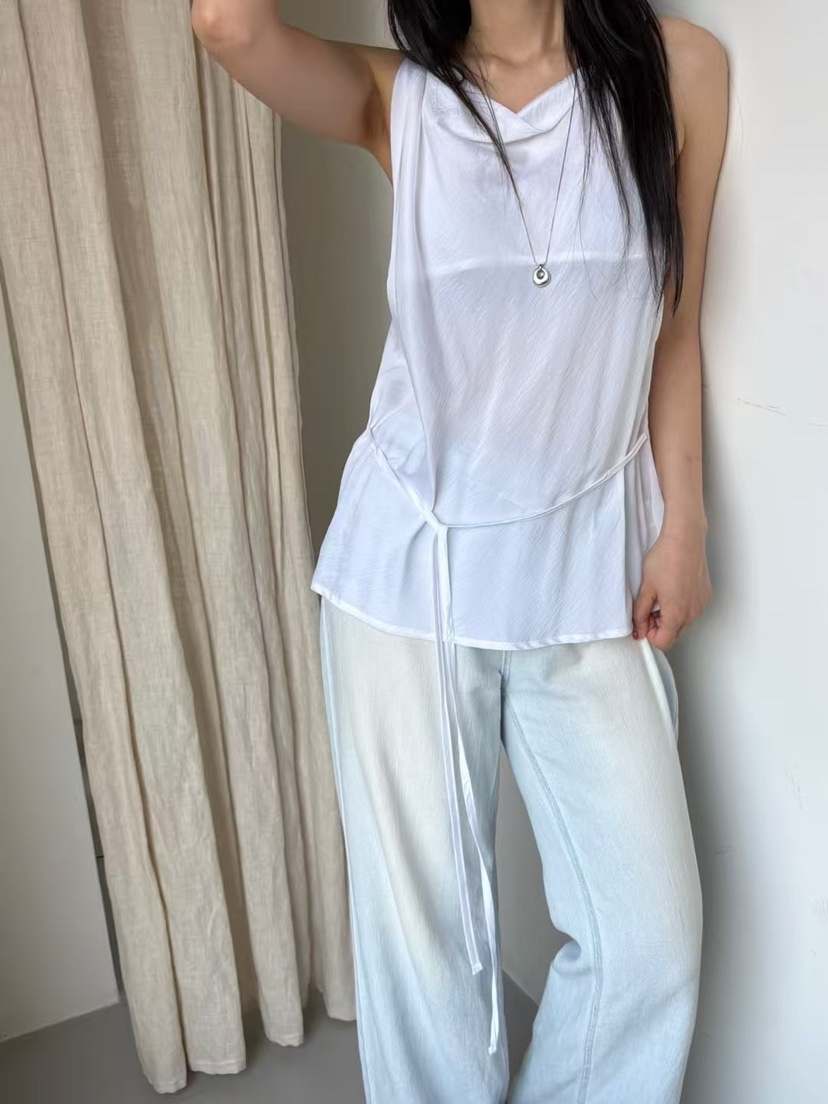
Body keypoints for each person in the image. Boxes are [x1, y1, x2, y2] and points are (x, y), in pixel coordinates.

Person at [193, 2, 728, 1101]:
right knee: (429, 962)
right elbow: (227, 25)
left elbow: (676, 328)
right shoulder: (399, 96)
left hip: (592, 573)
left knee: (650, 942)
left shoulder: (680, 70)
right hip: (409, 584)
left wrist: (686, 526)